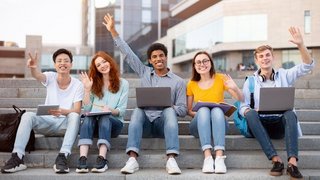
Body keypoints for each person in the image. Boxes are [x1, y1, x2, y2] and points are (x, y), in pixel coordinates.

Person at [103, 13, 187, 175]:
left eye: (161, 56)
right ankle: (133, 159)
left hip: (165, 126)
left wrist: (169, 106)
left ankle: (171, 160)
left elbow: (183, 110)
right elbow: (127, 53)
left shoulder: (178, 82)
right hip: (145, 125)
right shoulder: (144, 72)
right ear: (150, 61)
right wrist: (113, 31)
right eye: (154, 57)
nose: (158, 59)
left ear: (166, 57)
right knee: (138, 110)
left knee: (169, 110)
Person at [239, 27, 314, 179]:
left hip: (279, 124)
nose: (265, 58)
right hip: (259, 125)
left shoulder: (284, 75)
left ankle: (292, 163)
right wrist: (248, 111)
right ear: (257, 60)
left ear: (273, 57)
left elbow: (307, 66)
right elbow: (243, 106)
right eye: (261, 56)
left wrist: (300, 45)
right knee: (251, 113)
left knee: (290, 113)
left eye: (267, 55)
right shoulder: (251, 81)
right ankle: (276, 160)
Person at [1, 49, 84, 174]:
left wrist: (62, 111)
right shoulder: (50, 76)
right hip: (47, 123)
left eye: (66, 61)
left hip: (65, 125)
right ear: (55, 64)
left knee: (74, 115)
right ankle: (17, 157)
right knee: (28, 115)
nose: (63, 63)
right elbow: (38, 75)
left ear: (71, 64)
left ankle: (63, 156)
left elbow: (77, 109)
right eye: (59, 61)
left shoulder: (78, 84)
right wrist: (33, 68)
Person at [187, 51, 243, 174]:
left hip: (219, 124)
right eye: (198, 62)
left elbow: (240, 99)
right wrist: (203, 115)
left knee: (217, 109)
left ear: (211, 63)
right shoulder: (191, 83)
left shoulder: (221, 78)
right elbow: (189, 110)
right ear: (195, 66)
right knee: (204, 110)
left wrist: (234, 87)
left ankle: (219, 157)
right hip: (198, 125)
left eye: (205, 61)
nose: (202, 64)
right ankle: (207, 157)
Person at [76, 51, 129, 173]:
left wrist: (109, 110)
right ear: (97, 69)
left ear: (110, 62)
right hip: (93, 124)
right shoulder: (94, 84)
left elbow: (121, 111)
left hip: (114, 125)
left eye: (104, 61)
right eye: (98, 65)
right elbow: (87, 109)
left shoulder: (123, 84)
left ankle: (102, 159)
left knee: (105, 117)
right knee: (88, 117)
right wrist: (87, 90)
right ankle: (82, 159)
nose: (102, 66)